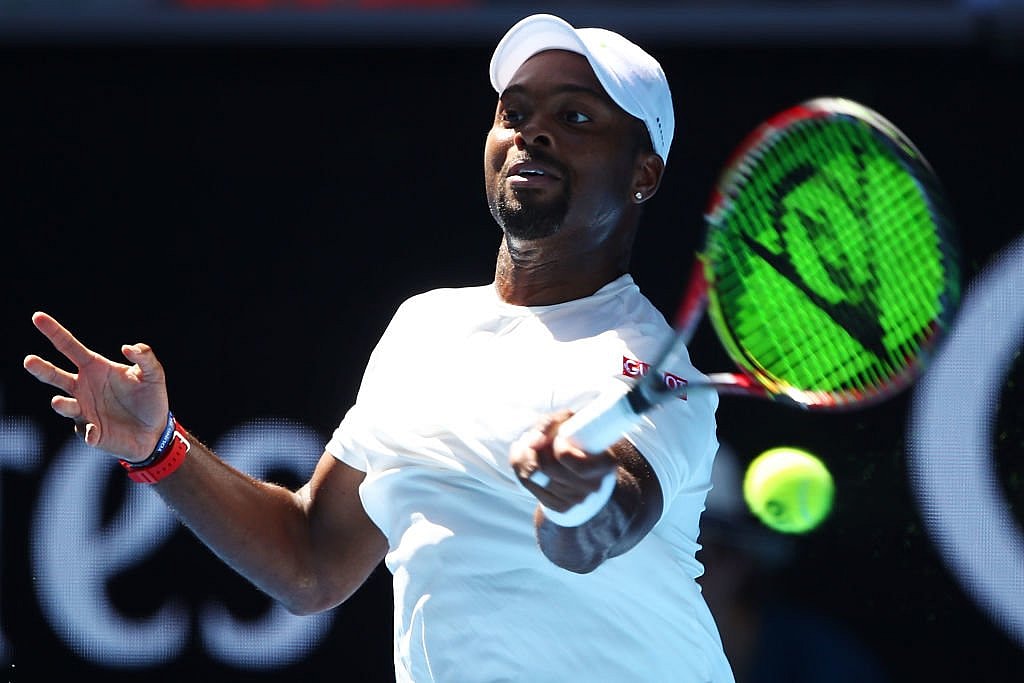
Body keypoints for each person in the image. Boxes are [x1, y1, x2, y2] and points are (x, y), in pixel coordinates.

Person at [23, 13, 733, 682]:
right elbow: (310, 561)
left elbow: (600, 530)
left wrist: (581, 498)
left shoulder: (649, 365)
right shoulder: (423, 329)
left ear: (643, 172)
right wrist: (156, 446)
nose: (532, 133)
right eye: (514, 113)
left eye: (575, 116)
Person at [698, 444, 891, 683]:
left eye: (696, 558)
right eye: (642, 562)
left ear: (739, 562)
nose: (669, 580)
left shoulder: (824, 663)